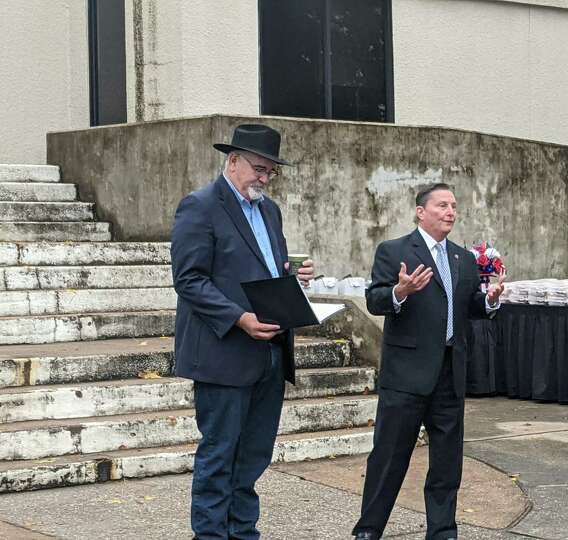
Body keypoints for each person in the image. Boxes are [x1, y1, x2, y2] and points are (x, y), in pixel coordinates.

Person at [171, 124, 315, 539]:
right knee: (219, 458)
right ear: (232, 161)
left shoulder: (269, 210)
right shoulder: (199, 206)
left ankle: (243, 533)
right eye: (259, 169)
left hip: (270, 351)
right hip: (225, 352)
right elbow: (189, 280)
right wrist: (240, 318)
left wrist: (293, 276)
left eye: (271, 172)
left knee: (253, 458)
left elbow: (268, 270)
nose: (265, 179)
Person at [352, 183, 505, 540]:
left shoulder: (463, 259)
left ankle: (443, 531)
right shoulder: (395, 251)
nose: (450, 211)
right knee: (389, 458)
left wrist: (492, 300)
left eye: (454, 205)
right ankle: (369, 530)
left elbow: (469, 307)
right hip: (406, 377)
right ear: (421, 211)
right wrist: (399, 291)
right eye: (442, 205)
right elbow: (376, 300)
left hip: (450, 374)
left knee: (447, 463)